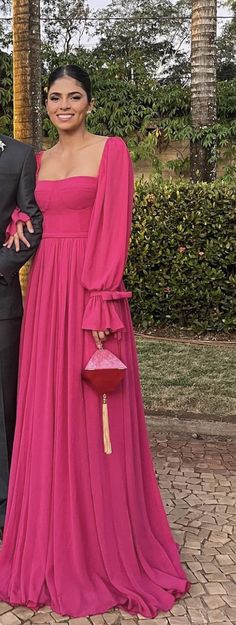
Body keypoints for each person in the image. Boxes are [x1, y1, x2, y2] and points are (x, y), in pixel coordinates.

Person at [0, 65, 189, 618]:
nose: (63, 105)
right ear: (48, 105)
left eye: (74, 96)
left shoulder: (113, 151)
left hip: (89, 292)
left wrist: (102, 298)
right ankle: (52, 535)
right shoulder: (38, 160)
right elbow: (31, 210)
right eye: (55, 97)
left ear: (90, 102)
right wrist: (15, 217)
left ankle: (102, 545)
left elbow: (112, 223)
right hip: (46, 298)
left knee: (92, 412)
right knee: (49, 411)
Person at [0, 134, 42, 536]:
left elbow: (34, 220)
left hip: (1, 304)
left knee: (4, 407)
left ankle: (5, 508)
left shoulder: (19, 155)